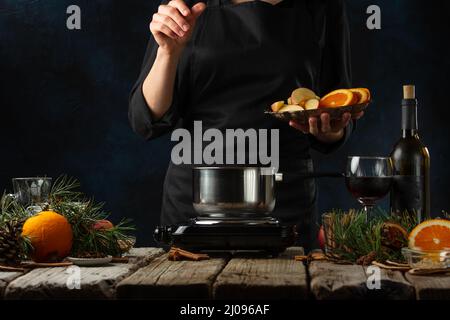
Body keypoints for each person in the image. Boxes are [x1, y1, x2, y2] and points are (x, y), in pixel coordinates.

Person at [129, 0, 363, 251]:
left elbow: (337, 106)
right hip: (195, 209)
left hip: (283, 208)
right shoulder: (186, 3)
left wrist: (330, 128)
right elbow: (146, 120)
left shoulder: (325, 7)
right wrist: (168, 53)